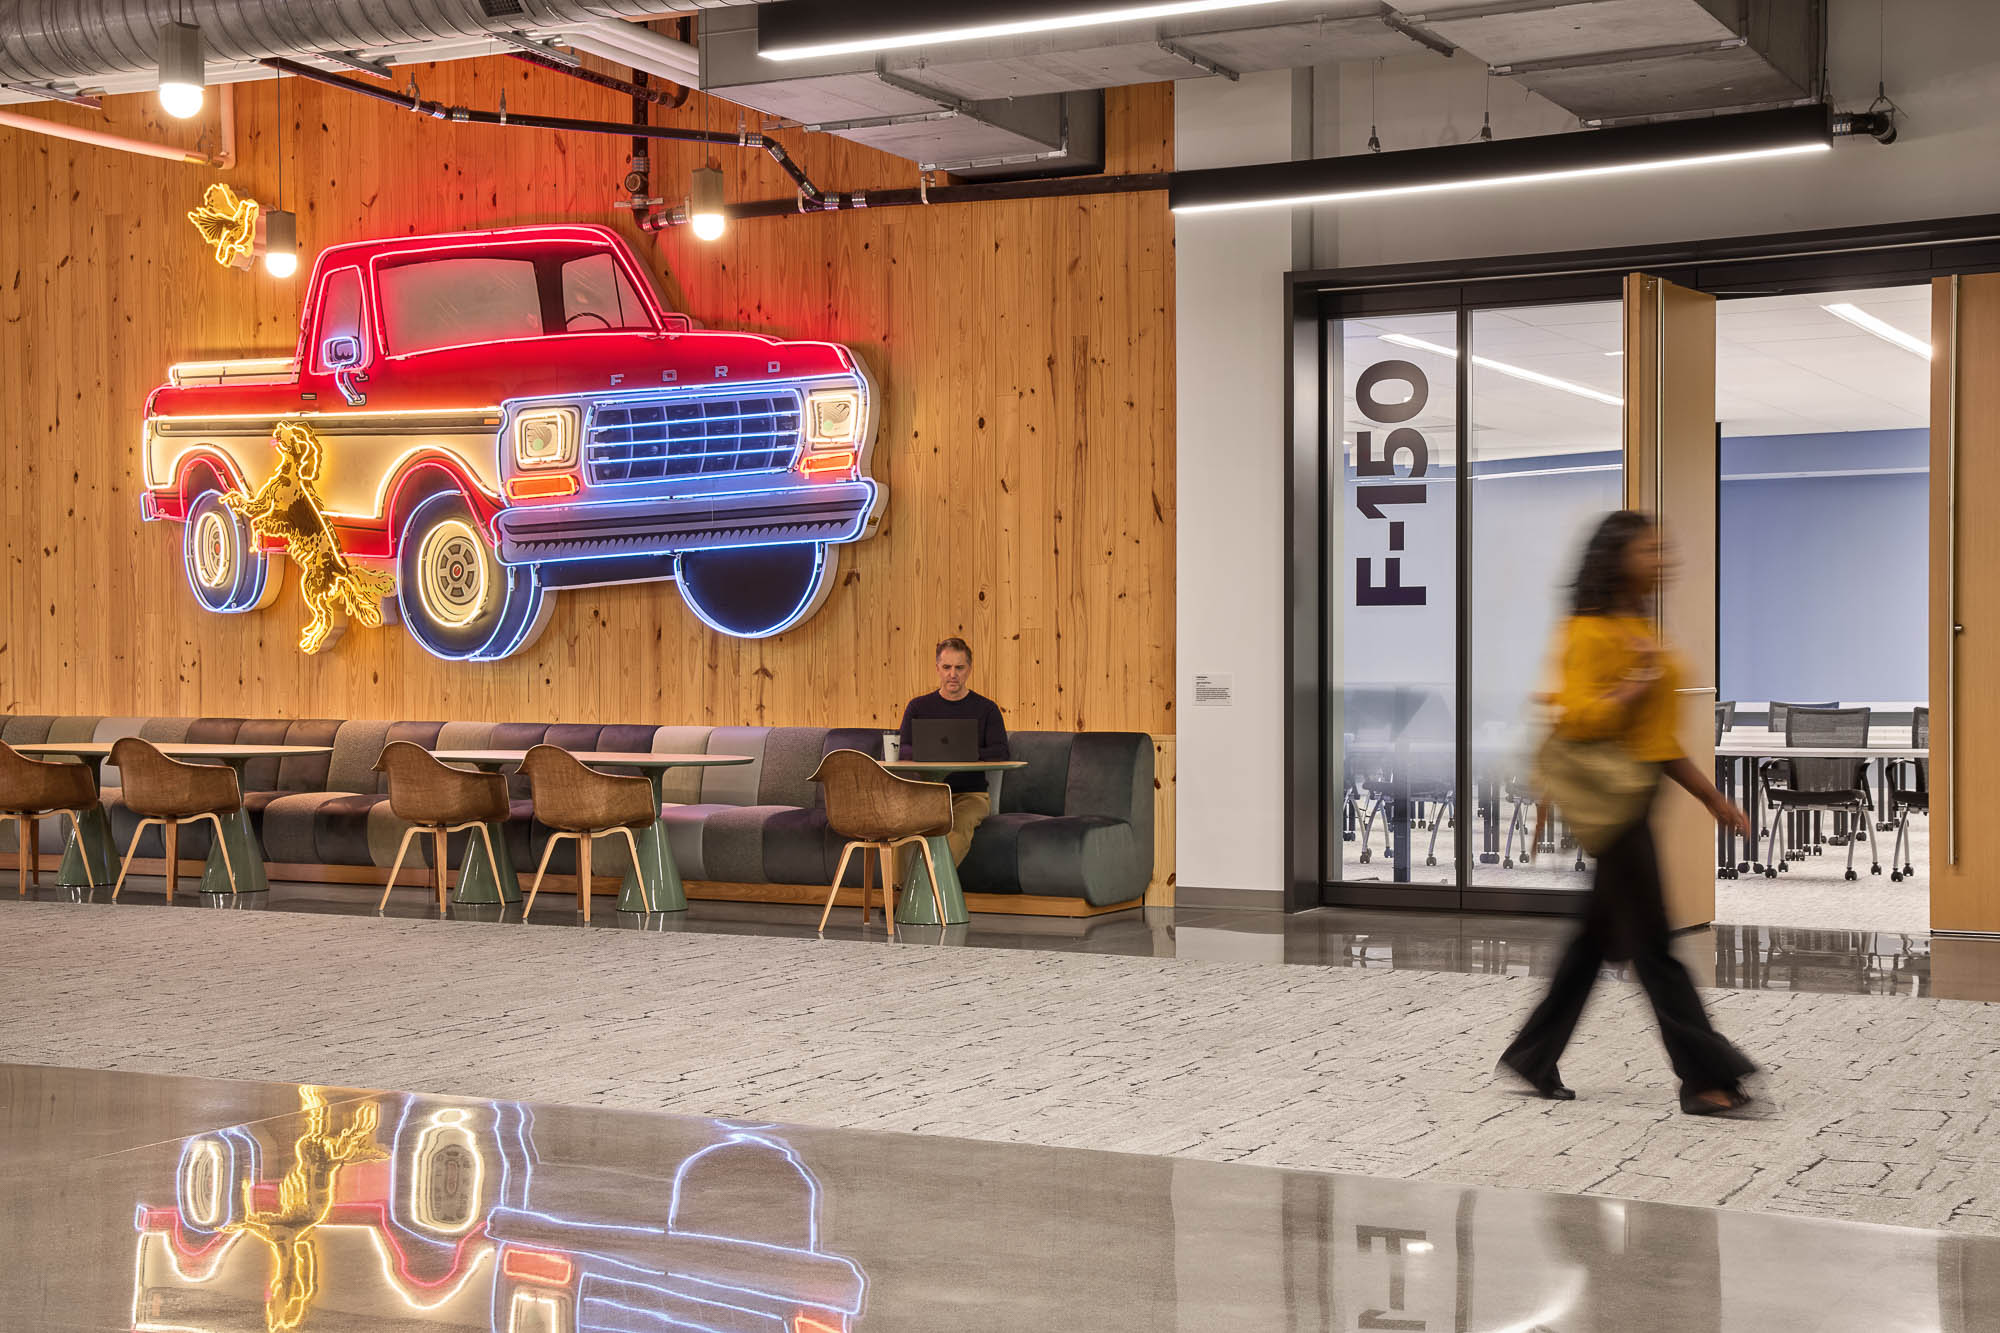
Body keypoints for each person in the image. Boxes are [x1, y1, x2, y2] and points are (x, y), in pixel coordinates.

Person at [1499, 510, 1758, 1116]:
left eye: (1663, 550)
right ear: (1616, 559)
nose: (1663, 560)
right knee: (1655, 947)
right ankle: (1703, 1078)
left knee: (1594, 943)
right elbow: (1577, 716)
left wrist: (1712, 797)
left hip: (1635, 796)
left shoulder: (1638, 627)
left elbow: (1657, 739)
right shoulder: (1588, 632)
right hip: (1609, 806)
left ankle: (1533, 1056)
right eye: (1650, 551)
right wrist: (1633, 684)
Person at [897, 636, 1009, 866]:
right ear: (937, 668)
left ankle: (930, 891)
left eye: (959, 667)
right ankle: (898, 895)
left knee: (958, 827)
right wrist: (930, 752)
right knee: (900, 828)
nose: (953, 674)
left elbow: (1001, 752)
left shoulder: (986, 709)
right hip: (927, 793)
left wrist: (968, 753)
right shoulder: (918, 707)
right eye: (947, 667)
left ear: (969, 669)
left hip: (971, 795)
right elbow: (903, 750)